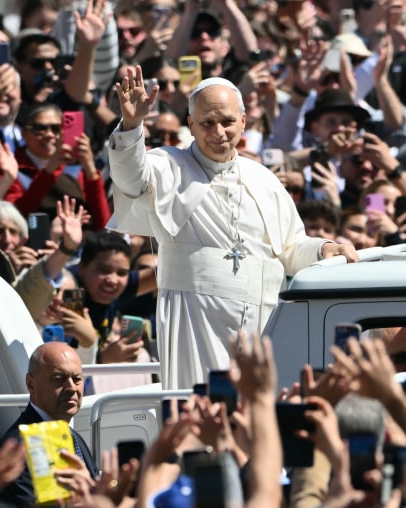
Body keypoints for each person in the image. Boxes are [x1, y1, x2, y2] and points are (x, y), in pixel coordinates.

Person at [107, 70, 358, 389]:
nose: (219, 132)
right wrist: (131, 127)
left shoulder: (263, 178)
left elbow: (291, 249)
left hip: (264, 322)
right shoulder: (167, 165)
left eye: (226, 121)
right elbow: (130, 178)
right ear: (191, 125)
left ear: (243, 121)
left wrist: (324, 248)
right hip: (198, 321)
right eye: (207, 123)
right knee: (204, 411)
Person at [0, 342, 97, 507]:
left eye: (77, 379)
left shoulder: (73, 437)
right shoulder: (18, 450)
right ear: (31, 385)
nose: (71, 387)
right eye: (59, 379)